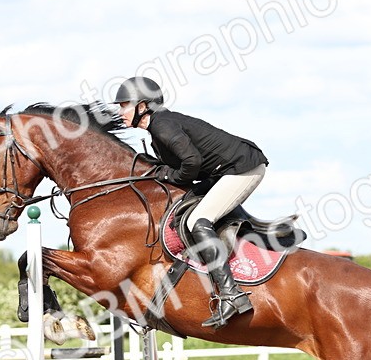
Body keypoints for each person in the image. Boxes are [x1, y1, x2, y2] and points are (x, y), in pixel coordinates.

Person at [113, 76, 268, 330]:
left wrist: (168, 174)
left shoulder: (163, 126)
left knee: (198, 220)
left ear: (142, 107)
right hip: (226, 171)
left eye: (124, 105)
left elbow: (191, 162)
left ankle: (232, 294)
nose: (120, 112)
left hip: (243, 169)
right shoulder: (158, 129)